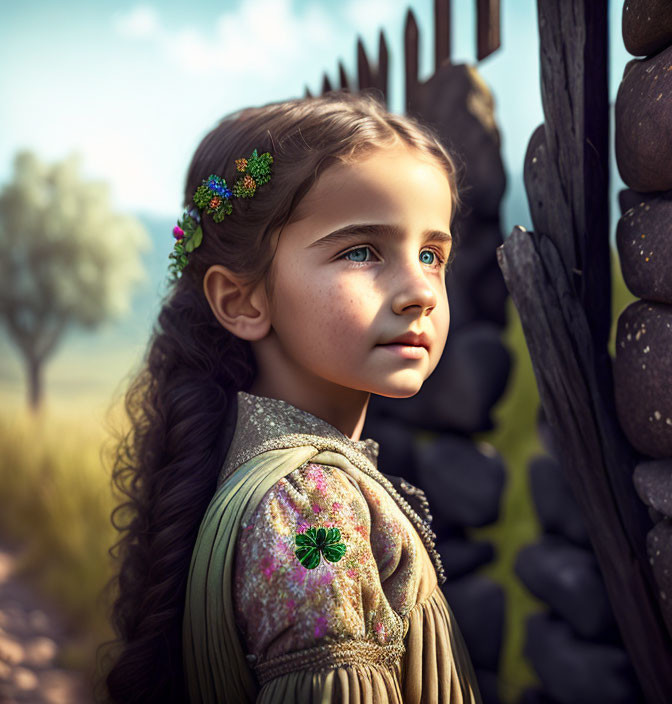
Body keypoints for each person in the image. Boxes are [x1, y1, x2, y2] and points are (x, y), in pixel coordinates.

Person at [97, 90, 482, 703]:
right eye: (361, 251)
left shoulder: (248, 463)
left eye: (431, 254)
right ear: (243, 300)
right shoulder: (311, 508)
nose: (420, 291)